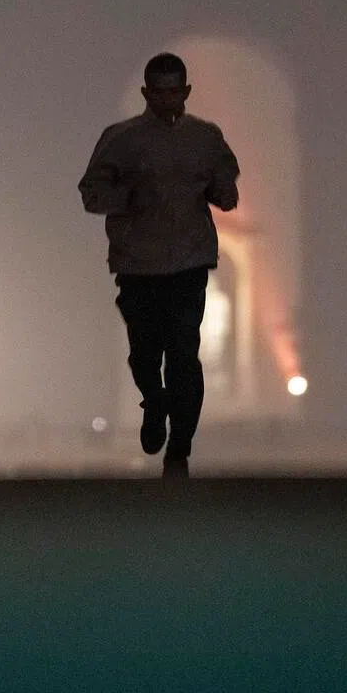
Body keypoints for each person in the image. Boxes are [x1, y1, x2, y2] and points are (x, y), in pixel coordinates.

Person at [79, 53, 240, 478]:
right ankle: (154, 401)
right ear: (147, 93)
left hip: (188, 262)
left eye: (175, 90)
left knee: (185, 354)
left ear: (186, 91)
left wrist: (223, 190)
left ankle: (180, 447)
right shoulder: (121, 140)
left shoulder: (207, 139)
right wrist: (128, 198)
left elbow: (227, 188)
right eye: (160, 91)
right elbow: (91, 192)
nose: (168, 98)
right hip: (138, 264)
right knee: (145, 354)